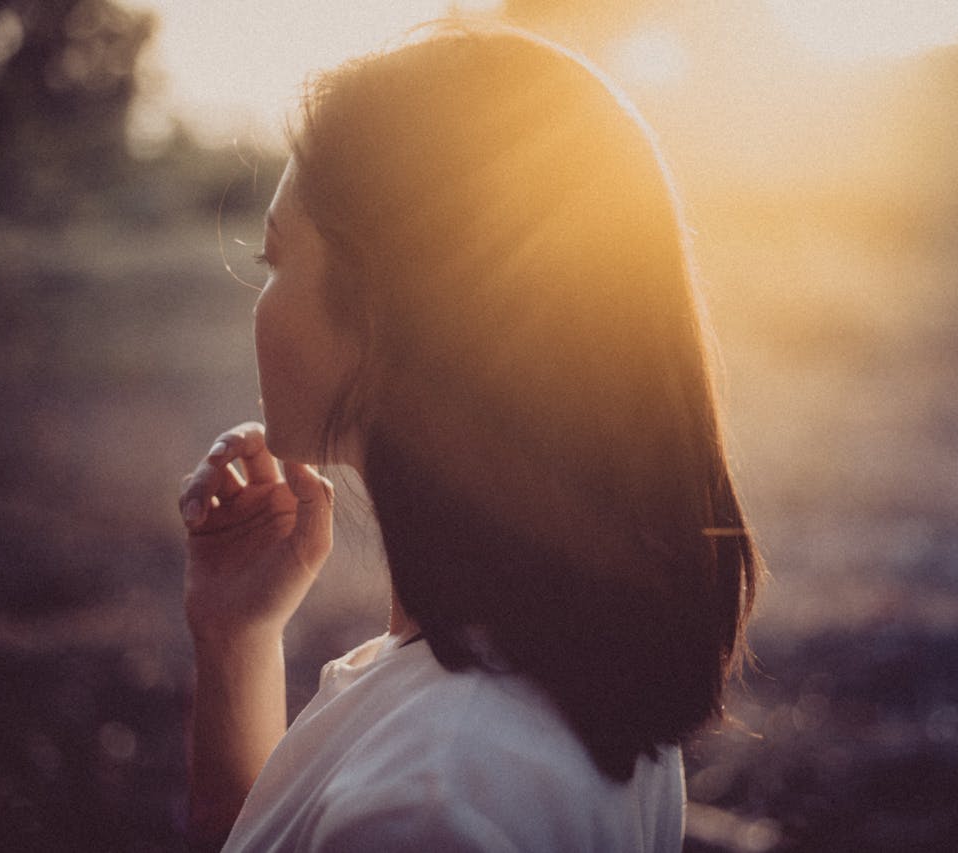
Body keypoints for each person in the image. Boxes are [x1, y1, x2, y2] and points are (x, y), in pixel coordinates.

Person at [178, 21, 759, 852]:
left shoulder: (430, 805)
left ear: (386, 313)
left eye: (277, 259)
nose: (260, 299)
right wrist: (236, 639)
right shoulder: (568, 666)